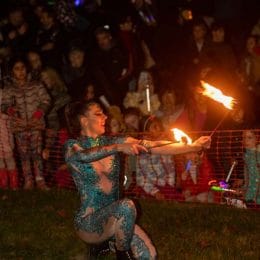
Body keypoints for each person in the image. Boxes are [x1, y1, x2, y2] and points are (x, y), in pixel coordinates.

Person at [64, 100, 211, 259]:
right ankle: (120, 254)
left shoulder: (112, 141)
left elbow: (151, 145)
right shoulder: (72, 146)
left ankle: (111, 243)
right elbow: (83, 156)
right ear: (84, 120)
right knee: (127, 206)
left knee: (149, 255)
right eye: (98, 114)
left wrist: (192, 146)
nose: (105, 116)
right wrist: (118, 148)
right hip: (90, 224)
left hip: (119, 220)